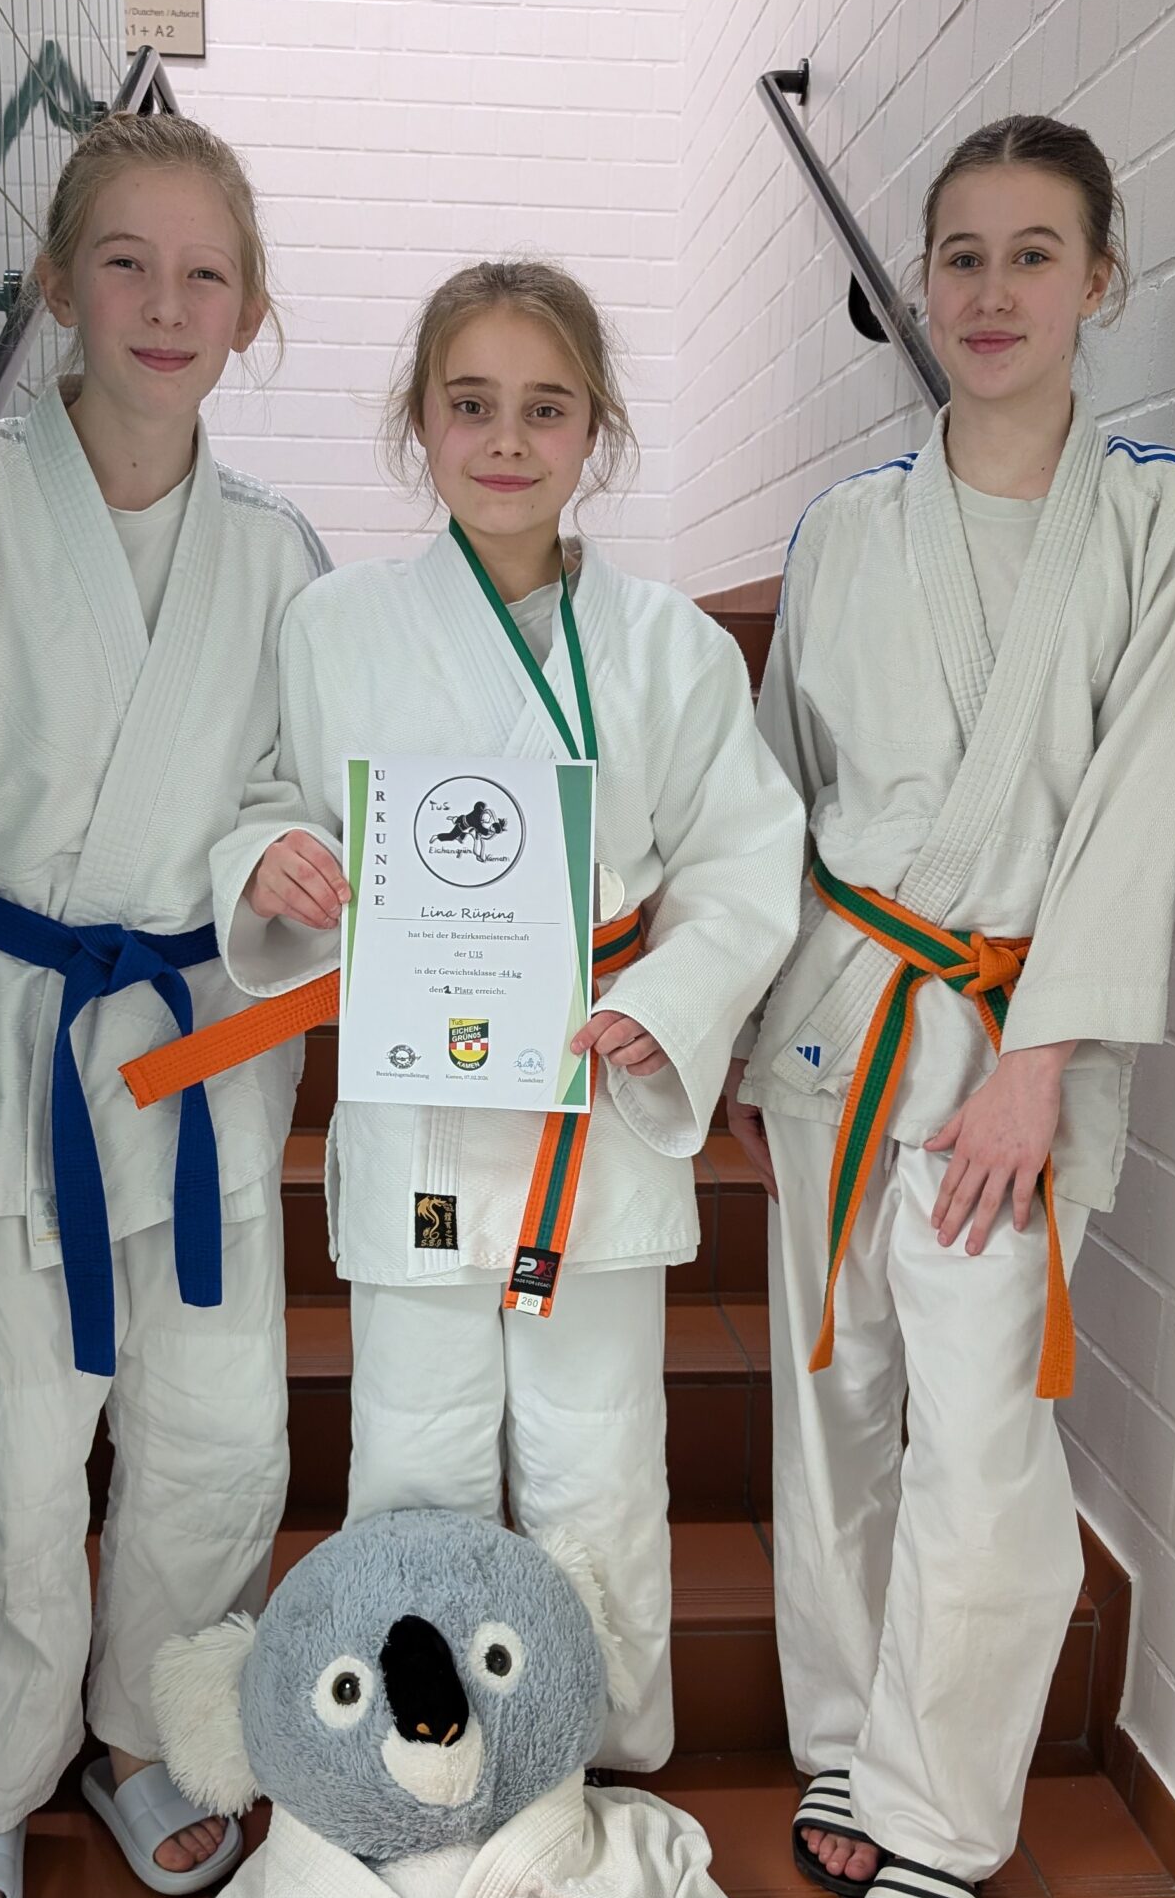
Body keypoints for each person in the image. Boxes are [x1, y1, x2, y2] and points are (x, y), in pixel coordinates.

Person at [729, 115, 1175, 1898]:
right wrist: (745, 1023)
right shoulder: (841, 529)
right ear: (919, 284)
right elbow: (775, 796)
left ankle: (944, 1821)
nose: (992, 289)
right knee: (830, 1399)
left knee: (978, 1434)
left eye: (1036, 254)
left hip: (1017, 1046)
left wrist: (1040, 1060)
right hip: (835, 1019)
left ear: (1102, 279)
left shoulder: (1170, 522)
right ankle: (843, 1738)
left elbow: (1139, 806)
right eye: (960, 254)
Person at [0, 112, 330, 1898]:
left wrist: (286, 862)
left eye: (206, 274)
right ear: (54, 282)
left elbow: (291, 789)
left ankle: (148, 1740)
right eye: (127, 262)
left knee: (214, 1438)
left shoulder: (279, 555)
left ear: (252, 312)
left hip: (198, 1051)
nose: (165, 304)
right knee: (4, 1439)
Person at [206, 260, 804, 1771]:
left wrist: (671, 998)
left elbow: (745, 856)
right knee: (413, 1449)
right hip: (421, 1104)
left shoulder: (670, 644)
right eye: (470, 404)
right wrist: (274, 862)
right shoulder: (333, 625)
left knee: (600, 1456)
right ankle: (414, 1777)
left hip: (592, 1096)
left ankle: (594, 1760)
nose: (508, 440)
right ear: (420, 421)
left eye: (547, 408)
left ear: (596, 428)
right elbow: (271, 799)